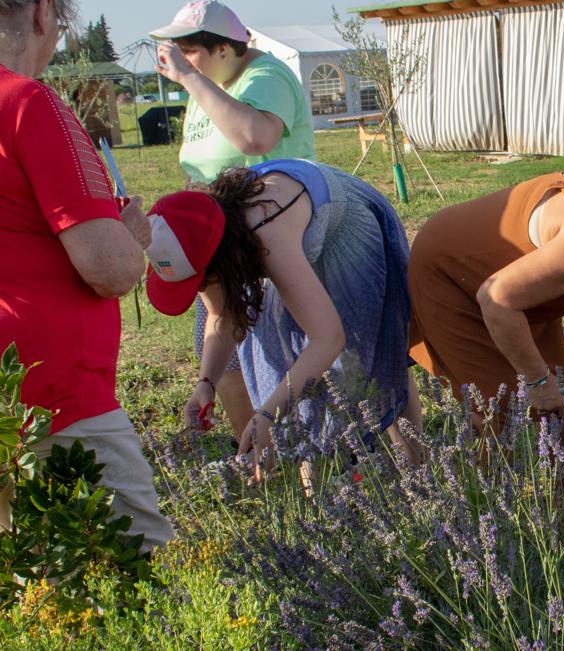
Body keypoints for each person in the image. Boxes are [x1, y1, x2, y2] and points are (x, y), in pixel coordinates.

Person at [0, 0, 172, 549]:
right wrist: (128, 235)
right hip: (51, 395)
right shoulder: (28, 103)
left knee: (22, 573)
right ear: (43, 10)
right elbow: (111, 269)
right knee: (131, 564)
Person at [145, 160, 422, 474]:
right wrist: (205, 384)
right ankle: (315, 485)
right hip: (286, 237)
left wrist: (267, 416)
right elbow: (222, 315)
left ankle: (416, 468)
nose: (200, 289)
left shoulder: (267, 232)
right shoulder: (209, 237)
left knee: (375, 355)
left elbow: (328, 339)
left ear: (218, 260)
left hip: (346, 225)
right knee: (287, 360)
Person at [150, 0, 317, 441]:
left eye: (190, 50)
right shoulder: (206, 86)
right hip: (221, 240)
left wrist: (191, 79)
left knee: (287, 350)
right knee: (221, 351)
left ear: (224, 48)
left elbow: (255, 137)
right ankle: (258, 453)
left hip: (273, 237)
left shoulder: (266, 77)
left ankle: (308, 452)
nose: (180, 61)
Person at [408, 172, 564, 454]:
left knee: (563, 390)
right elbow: (497, 300)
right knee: (494, 403)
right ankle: (490, 481)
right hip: (449, 271)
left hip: (515, 280)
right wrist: (537, 382)